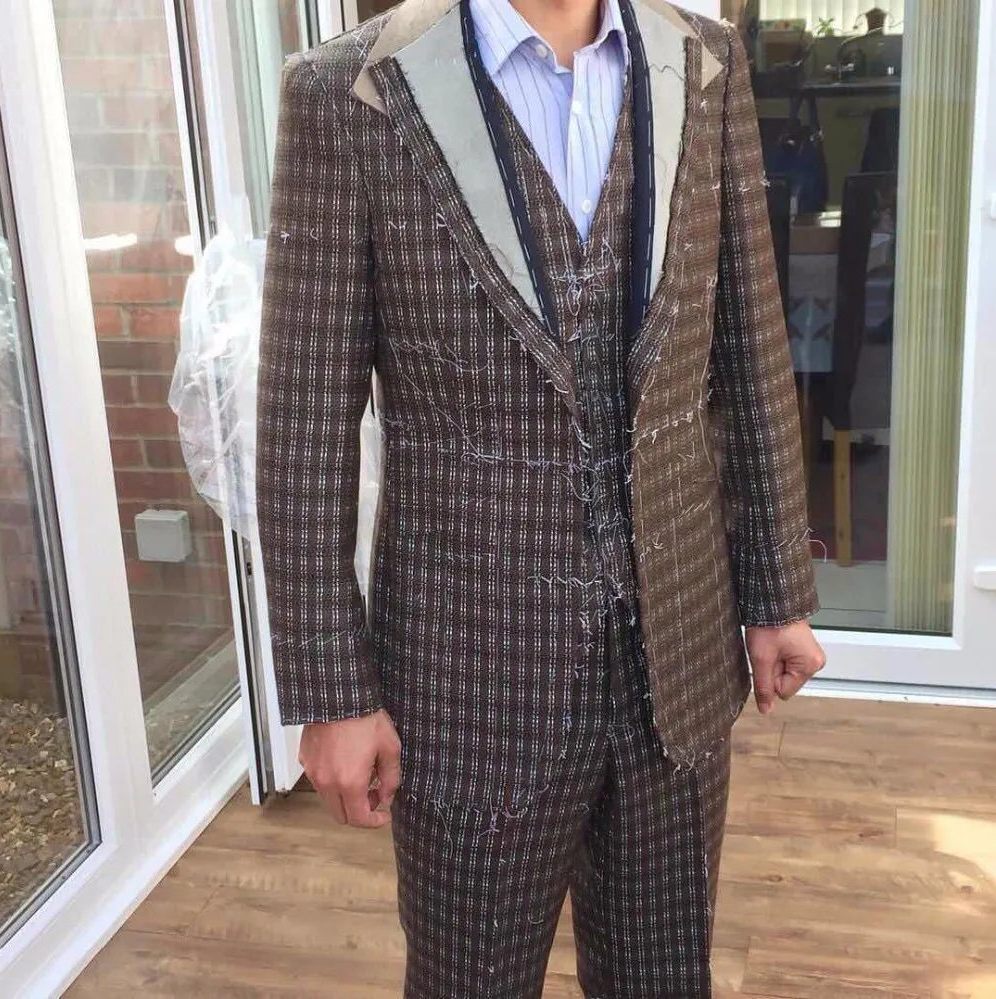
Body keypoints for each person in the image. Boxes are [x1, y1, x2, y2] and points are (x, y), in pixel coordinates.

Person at [254, 0, 826, 995]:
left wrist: (775, 588)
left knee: (664, 975)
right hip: (468, 683)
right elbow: (305, 420)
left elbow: (748, 342)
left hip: (677, 660)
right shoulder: (347, 92)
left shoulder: (704, 63)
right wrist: (332, 689)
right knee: (468, 979)